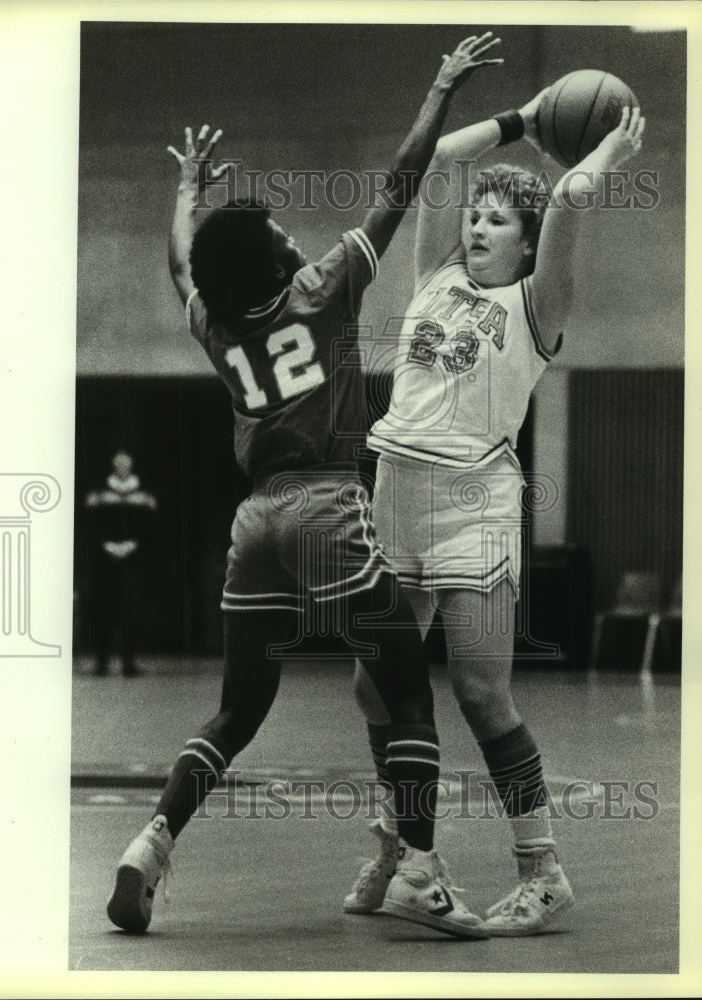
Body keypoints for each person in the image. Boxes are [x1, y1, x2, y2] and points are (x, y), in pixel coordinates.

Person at [107, 34, 504, 936]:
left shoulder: (213, 321)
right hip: (329, 504)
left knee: (239, 705)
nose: (294, 232)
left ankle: (150, 843)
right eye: (283, 233)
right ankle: (421, 871)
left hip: (254, 522)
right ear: (281, 262)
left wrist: (185, 194)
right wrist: (440, 88)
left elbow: (182, 263)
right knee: (405, 687)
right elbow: (402, 182)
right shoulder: (321, 291)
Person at [343, 92, 646, 935]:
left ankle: (541, 871)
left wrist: (607, 150)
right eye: (475, 217)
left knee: (480, 694)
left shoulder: (537, 308)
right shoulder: (434, 274)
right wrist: (524, 115)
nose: (476, 228)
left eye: (497, 222)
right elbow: (441, 159)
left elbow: (575, 200)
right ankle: (407, 850)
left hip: (471, 505)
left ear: (525, 242)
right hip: (393, 491)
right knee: (376, 684)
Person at [84, 449, 158, 676]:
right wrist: (106, 544)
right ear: (113, 465)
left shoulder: (145, 495)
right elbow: (89, 525)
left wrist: (132, 545)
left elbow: (151, 527)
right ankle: (102, 663)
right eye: (119, 462)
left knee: (130, 611)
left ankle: (129, 663)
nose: (122, 466)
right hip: (104, 559)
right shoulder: (99, 493)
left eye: (126, 462)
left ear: (132, 465)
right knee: (103, 609)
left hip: (133, 559)